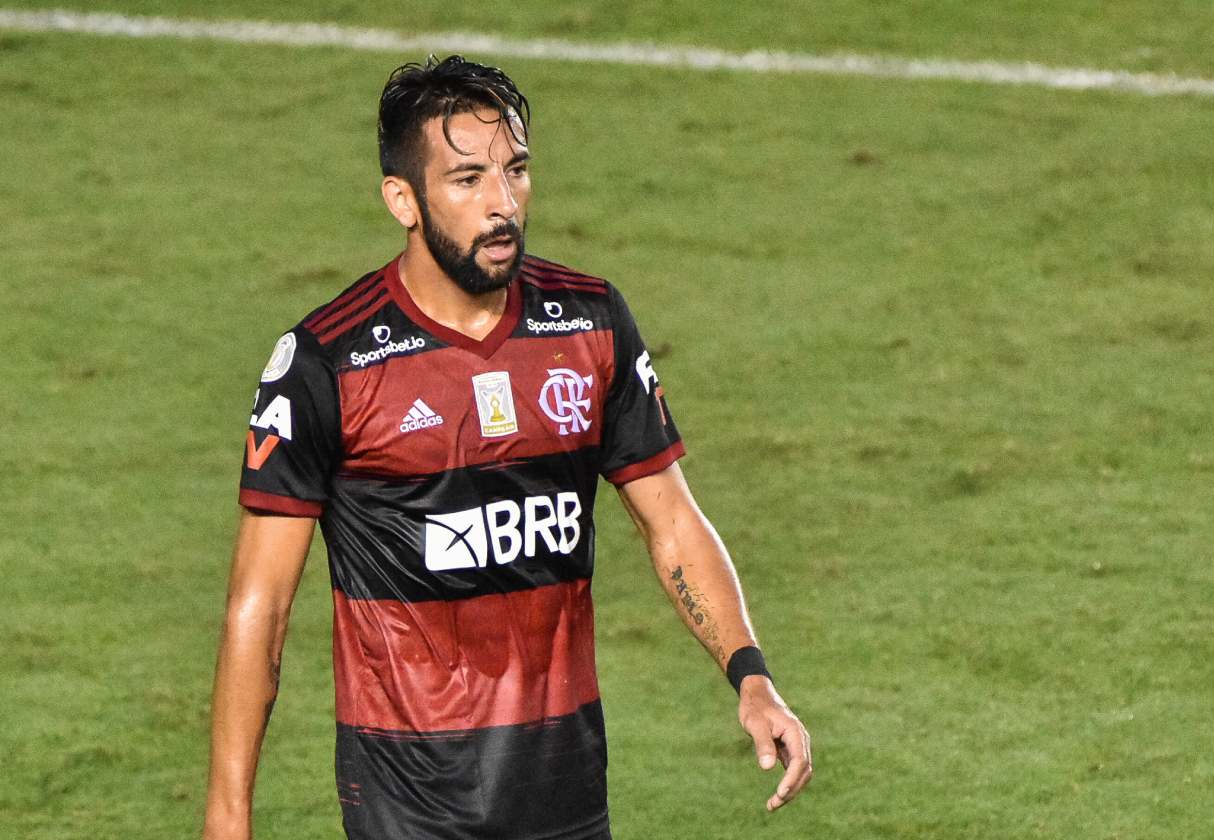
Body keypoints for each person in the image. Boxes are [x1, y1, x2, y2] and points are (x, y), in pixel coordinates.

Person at [202, 54, 811, 840]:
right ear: (403, 200)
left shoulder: (590, 323)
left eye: (515, 170)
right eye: (467, 179)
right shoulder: (329, 363)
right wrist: (228, 816)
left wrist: (750, 675)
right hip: (408, 803)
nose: (503, 203)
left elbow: (671, 522)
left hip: (565, 792)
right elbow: (260, 605)